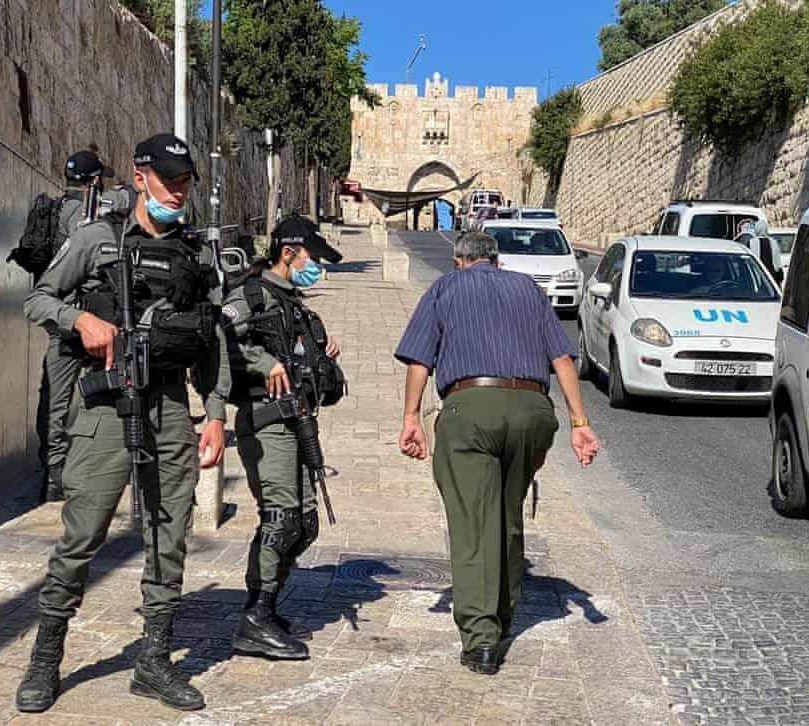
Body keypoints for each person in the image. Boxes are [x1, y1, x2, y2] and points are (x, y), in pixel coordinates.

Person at [16, 133, 229, 713]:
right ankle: (44, 658)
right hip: (107, 407)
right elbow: (38, 299)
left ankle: (154, 661)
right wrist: (80, 318)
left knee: (169, 534)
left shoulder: (195, 254)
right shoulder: (96, 239)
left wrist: (214, 414)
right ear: (140, 178)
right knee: (82, 534)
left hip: (167, 408)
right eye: (169, 181)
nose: (179, 191)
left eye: (185, 182)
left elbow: (212, 341)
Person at [395, 231, 601, 676]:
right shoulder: (527, 288)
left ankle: (482, 637)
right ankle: (504, 613)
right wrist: (580, 424)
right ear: (497, 261)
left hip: (470, 408)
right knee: (507, 515)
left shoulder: (446, 287)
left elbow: (419, 360)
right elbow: (563, 358)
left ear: (459, 260)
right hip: (532, 412)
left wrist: (411, 417)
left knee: (473, 523)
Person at [221, 215, 345, 660]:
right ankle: (254, 618)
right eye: (313, 257)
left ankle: (266, 605)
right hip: (266, 422)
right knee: (281, 519)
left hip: (299, 422)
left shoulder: (295, 304)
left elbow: (298, 357)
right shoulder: (250, 295)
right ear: (289, 253)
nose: (318, 268)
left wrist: (321, 353)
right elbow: (220, 339)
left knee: (305, 523)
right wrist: (262, 363)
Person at [34, 150, 133, 501]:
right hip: (93, 321)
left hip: (61, 319)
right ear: (94, 180)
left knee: (55, 401)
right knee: (115, 390)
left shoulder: (56, 209)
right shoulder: (94, 207)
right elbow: (128, 195)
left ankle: (53, 475)